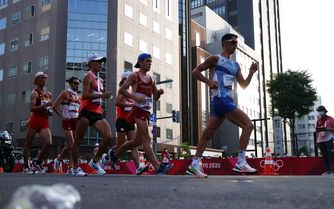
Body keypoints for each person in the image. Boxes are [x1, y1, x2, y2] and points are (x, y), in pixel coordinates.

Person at [187, 33, 258, 178]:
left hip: (225, 102)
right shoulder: (216, 58)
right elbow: (195, 71)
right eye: (233, 42)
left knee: (207, 134)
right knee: (248, 125)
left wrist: (251, 72)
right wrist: (209, 82)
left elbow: (243, 85)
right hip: (221, 100)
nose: (235, 45)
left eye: (236, 43)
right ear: (225, 43)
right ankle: (240, 162)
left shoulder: (235, 65)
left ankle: (194, 165)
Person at [109, 53, 174, 175]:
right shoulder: (134, 76)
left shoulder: (151, 79)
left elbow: (155, 98)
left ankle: (115, 154)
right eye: (147, 61)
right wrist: (134, 97)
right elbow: (121, 90)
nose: (150, 63)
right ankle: (157, 166)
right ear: (140, 62)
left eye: (150, 61)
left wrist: (159, 93)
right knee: (147, 139)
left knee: (137, 142)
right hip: (137, 110)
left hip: (146, 111)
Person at [71, 54, 113, 175]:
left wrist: (106, 94)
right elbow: (84, 96)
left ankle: (95, 161)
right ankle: (75, 168)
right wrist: (102, 96)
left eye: (102, 62)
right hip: (86, 111)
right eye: (98, 62)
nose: (101, 64)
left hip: (97, 112)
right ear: (90, 63)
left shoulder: (100, 80)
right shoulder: (87, 77)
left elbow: (98, 93)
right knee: (77, 141)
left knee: (108, 137)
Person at [110, 70, 148, 175]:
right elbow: (117, 102)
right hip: (121, 120)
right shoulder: (122, 91)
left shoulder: (131, 93)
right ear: (124, 79)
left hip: (130, 121)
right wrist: (130, 105)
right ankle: (110, 155)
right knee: (121, 145)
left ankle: (138, 168)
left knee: (133, 145)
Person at [52, 76, 87, 176]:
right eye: (75, 83)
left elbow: (77, 109)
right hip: (67, 120)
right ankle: (75, 167)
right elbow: (55, 106)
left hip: (76, 121)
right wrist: (62, 116)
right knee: (72, 146)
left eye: (78, 83)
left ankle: (63, 162)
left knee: (73, 145)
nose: (77, 85)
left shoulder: (78, 96)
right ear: (70, 84)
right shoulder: (65, 93)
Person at [23, 72, 53, 174]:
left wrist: (49, 110)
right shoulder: (34, 93)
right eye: (42, 78)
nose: (44, 80)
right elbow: (32, 108)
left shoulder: (48, 94)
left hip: (44, 120)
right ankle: (26, 166)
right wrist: (44, 106)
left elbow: (48, 107)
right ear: (37, 80)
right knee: (28, 143)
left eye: (45, 78)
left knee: (48, 143)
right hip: (35, 119)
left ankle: (37, 162)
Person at [315, 105, 334, 175]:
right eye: (318, 111)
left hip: (329, 139)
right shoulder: (318, 121)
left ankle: (332, 171)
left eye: (321, 111)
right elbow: (317, 131)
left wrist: (327, 129)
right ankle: (328, 171)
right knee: (325, 156)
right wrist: (317, 141)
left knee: (331, 155)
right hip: (321, 140)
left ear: (325, 111)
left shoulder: (330, 119)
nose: (319, 112)